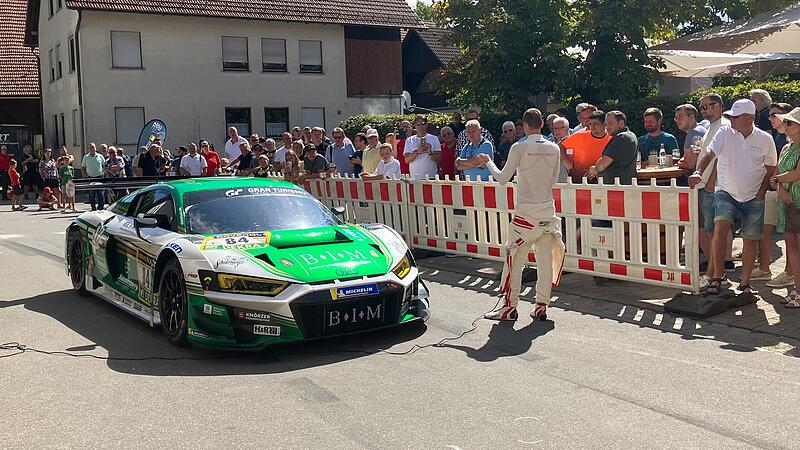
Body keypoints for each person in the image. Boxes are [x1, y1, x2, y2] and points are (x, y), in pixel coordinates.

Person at [478, 108, 565, 321]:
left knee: (514, 260)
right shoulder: (554, 148)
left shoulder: (519, 147)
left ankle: (509, 307)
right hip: (547, 211)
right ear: (542, 124)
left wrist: (488, 162)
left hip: (525, 214)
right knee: (545, 262)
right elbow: (554, 181)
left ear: (524, 126)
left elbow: (502, 178)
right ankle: (541, 306)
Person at [694, 99, 777, 295]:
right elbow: (709, 152)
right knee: (720, 228)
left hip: (753, 196)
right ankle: (717, 277)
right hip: (726, 191)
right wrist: (698, 171)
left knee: (750, 239)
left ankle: (745, 281)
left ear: (748, 118)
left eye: (734, 116)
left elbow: (771, 168)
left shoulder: (765, 138)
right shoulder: (725, 132)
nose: (730, 119)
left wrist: (762, 191)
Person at [691, 93, 735, 287]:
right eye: (701, 107)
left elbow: (722, 156)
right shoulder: (712, 126)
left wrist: (712, 181)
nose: (703, 110)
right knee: (711, 231)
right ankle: (714, 272)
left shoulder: (724, 126)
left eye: (706, 106)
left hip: (712, 186)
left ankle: (717, 274)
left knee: (714, 232)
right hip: (706, 184)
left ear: (718, 106)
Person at [752, 102, 795, 283]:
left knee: (790, 236)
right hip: (774, 189)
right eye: (769, 115)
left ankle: (790, 273)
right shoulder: (778, 139)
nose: (770, 119)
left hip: (789, 192)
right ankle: (764, 269)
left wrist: (777, 180)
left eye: (774, 115)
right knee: (765, 229)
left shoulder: (789, 139)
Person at [770, 108, 800, 307]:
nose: (786, 125)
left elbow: (796, 174)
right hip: (787, 203)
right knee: (791, 248)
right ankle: (798, 290)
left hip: (798, 203)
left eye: (790, 122)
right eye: (786, 122)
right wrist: (780, 188)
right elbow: (780, 173)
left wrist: (776, 179)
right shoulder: (785, 148)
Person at [559, 110, 612, 182]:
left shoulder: (611, 139)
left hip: (601, 181)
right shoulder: (580, 135)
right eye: (590, 124)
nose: (592, 127)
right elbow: (561, 145)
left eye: (595, 124)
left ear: (604, 124)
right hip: (577, 180)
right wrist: (566, 161)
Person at [588, 111, 638, 185]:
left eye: (611, 123)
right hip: (622, 184)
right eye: (606, 124)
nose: (607, 127)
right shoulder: (631, 136)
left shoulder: (622, 137)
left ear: (621, 123)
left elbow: (602, 165)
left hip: (615, 186)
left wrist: (594, 169)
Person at [404, 114, 442, 179]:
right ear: (415, 126)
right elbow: (407, 160)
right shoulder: (409, 140)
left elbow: (439, 160)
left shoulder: (434, 138)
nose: (421, 126)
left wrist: (430, 152)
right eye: (418, 124)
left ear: (426, 125)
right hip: (415, 178)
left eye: (423, 123)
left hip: (431, 177)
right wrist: (417, 152)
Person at [81, 143, 106, 211]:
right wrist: (85, 175)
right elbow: (83, 167)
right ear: (88, 149)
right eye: (90, 148)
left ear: (95, 148)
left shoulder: (100, 156)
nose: (92, 149)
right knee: (92, 193)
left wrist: (103, 172)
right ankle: (93, 207)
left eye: (93, 147)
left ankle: (100, 207)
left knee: (100, 193)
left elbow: (104, 165)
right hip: (90, 177)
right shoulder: (86, 157)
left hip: (99, 177)